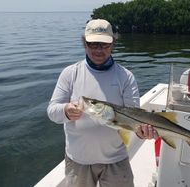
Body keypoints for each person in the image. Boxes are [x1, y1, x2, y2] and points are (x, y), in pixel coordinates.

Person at [47, 19, 157, 187]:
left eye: (104, 44)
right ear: (84, 43)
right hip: (78, 160)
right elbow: (52, 112)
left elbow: (134, 115)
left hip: (116, 159)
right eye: (93, 44)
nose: (99, 50)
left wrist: (142, 132)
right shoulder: (70, 74)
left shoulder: (125, 77)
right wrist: (66, 110)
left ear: (113, 44)